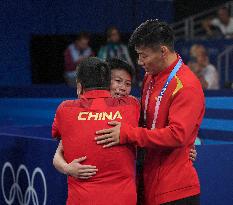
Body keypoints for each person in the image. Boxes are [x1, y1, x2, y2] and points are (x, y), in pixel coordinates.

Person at [95, 20, 205, 205]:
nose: (139, 62)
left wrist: (127, 134)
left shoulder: (187, 86)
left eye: (143, 56)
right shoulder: (150, 77)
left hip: (175, 191)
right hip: (148, 183)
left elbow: (177, 135)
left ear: (163, 51)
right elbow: (147, 121)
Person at [52, 57, 140, 205]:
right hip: (123, 199)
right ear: (107, 82)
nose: (122, 88)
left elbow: (60, 145)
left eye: (127, 83)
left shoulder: (65, 109)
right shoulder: (132, 105)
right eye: (117, 81)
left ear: (79, 87)